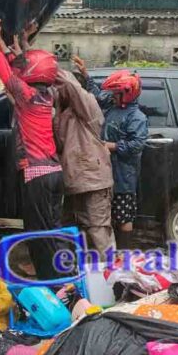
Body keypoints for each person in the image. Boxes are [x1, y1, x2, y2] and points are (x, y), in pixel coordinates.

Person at [0, 4, 64, 280]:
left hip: (37, 175)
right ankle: (59, 278)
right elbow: (24, 66)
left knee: (39, 236)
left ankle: (52, 286)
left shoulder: (27, 95)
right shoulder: (47, 95)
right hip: (54, 173)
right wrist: (4, 41)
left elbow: (5, 70)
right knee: (51, 232)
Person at [75, 57, 148, 250]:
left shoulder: (137, 117)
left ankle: (123, 253)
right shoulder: (113, 105)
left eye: (116, 93)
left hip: (123, 176)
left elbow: (136, 145)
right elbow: (99, 96)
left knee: (123, 216)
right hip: (103, 174)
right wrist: (85, 74)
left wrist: (110, 146)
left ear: (127, 94)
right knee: (101, 214)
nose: (112, 96)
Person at [55, 57, 113, 253]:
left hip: (92, 178)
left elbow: (71, 85)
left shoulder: (88, 107)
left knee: (97, 229)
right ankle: (85, 273)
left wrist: (46, 65)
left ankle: (112, 276)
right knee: (74, 230)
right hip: (74, 179)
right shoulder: (61, 111)